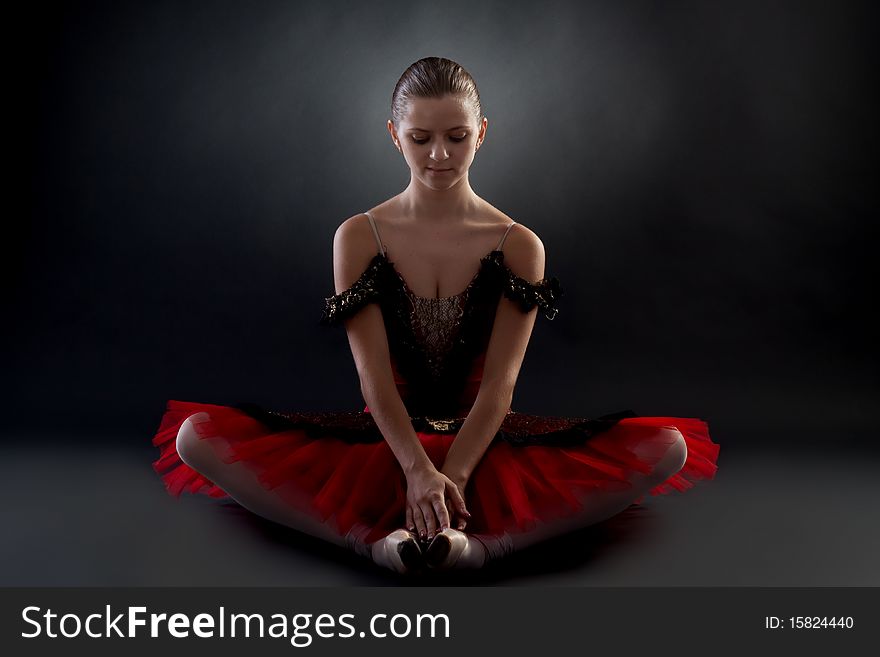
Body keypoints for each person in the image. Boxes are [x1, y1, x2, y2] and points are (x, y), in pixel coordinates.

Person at [151, 56, 720, 575]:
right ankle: (365, 541)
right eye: (421, 138)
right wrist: (418, 470)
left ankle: (485, 546)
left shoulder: (520, 245)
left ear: (483, 133)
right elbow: (373, 380)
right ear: (394, 136)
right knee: (194, 438)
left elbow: (501, 385)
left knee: (668, 446)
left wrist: (455, 477)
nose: (439, 155)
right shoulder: (359, 236)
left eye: (457, 137)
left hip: (483, 440)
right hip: (390, 439)